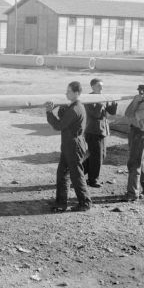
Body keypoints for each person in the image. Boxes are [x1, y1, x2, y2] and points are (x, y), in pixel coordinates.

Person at [44, 81, 92, 212]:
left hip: (73, 145)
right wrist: (56, 109)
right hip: (70, 144)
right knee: (63, 173)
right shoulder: (75, 106)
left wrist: (49, 112)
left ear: (76, 93)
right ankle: (61, 202)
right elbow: (65, 116)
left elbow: (59, 125)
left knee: (76, 175)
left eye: (69, 91)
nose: (66, 93)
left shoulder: (75, 109)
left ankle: (85, 203)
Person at [83, 78, 118, 188]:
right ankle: (93, 180)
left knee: (99, 155)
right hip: (92, 131)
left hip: (101, 131)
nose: (101, 88)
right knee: (97, 156)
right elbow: (96, 114)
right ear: (92, 86)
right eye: (99, 86)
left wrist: (113, 102)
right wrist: (101, 102)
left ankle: (78, 175)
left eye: (102, 86)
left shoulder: (101, 97)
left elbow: (111, 112)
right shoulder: (88, 99)